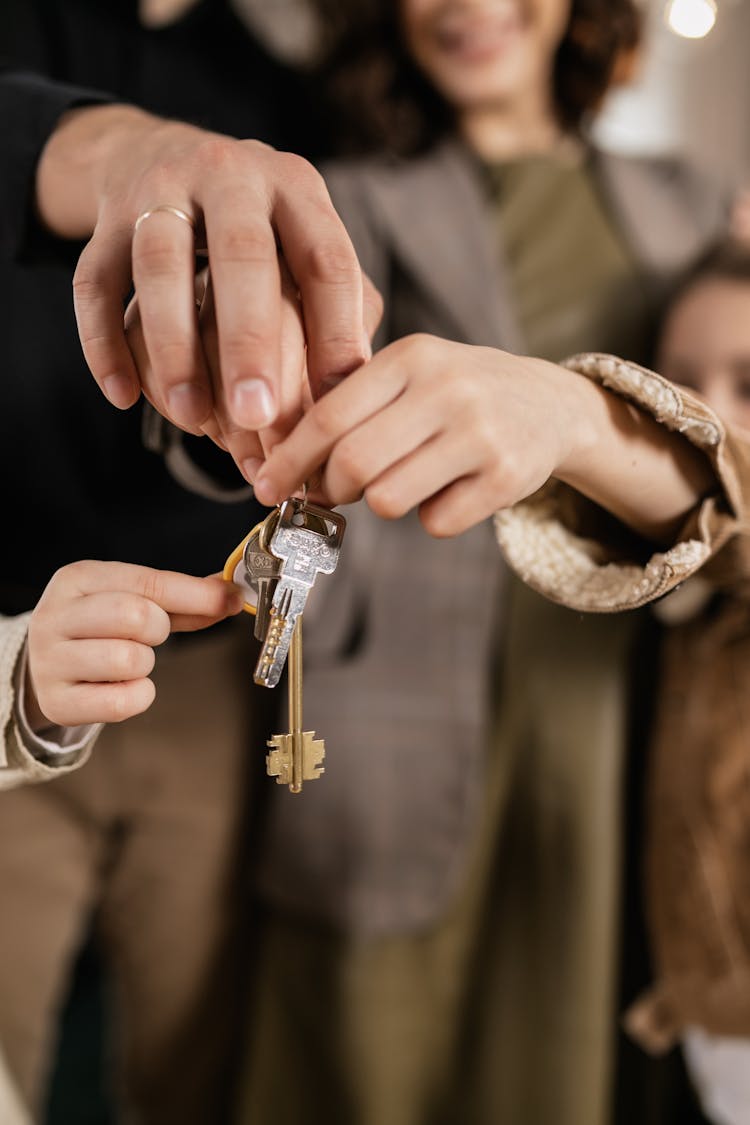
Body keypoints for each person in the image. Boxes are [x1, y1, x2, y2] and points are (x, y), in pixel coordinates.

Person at [229, 3, 733, 1124]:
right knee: (366, 1055)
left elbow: (725, 457)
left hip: (606, 704)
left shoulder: (690, 206)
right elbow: (240, 429)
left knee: (563, 1039)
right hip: (388, 693)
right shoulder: (340, 201)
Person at [0, 1, 374, 1119]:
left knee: (193, 1055)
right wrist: (119, 151)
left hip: (201, 661)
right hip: (2, 636)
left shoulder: (280, 92)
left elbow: (252, 417)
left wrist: (251, 426)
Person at [622, 241, 750, 1125]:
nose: (711, 418)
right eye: (678, 386)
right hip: (713, 1025)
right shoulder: (676, 595)